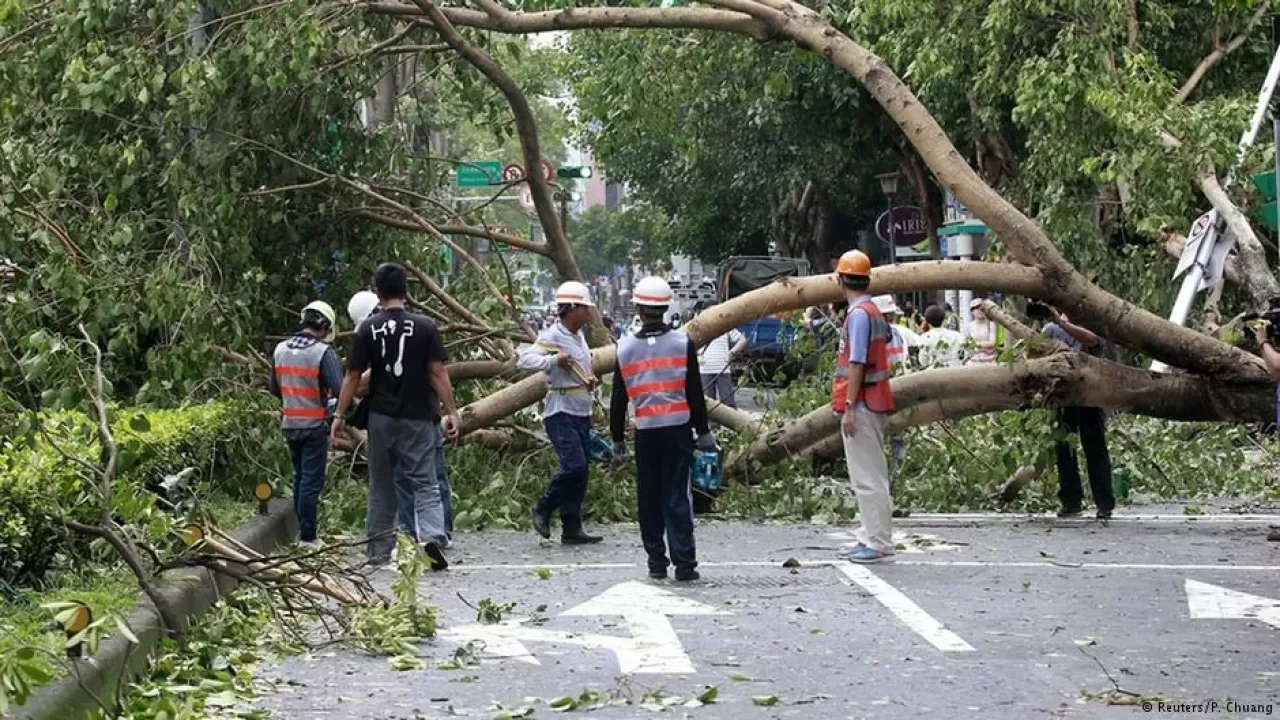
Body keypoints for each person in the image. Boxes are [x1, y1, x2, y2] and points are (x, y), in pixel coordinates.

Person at [332, 263, 460, 570]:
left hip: (380, 417)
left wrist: (339, 415)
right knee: (425, 482)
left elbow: (352, 376)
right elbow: (437, 372)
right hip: (419, 415)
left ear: (378, 292)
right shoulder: (426, 326)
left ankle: (379, 549)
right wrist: (452, 411)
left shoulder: (367, 329)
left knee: (382, 484)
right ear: (406, 291)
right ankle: (431, 537)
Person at [610, 276, 714, 581]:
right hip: (678, 430)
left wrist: (617, 440)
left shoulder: (625, 348)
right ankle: (685, 564)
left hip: (646, 433)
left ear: (639, 309)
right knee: (677, 495)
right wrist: (704, 432)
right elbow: (694, 391)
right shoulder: (683, 343)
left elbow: (618, 399)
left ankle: (656, 562)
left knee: (649, 496)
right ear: (666, 308)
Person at [517, 281, 604, 545]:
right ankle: (544, 506)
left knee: (582, 471)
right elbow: (524, 361)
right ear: (572, 308)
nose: (588, 313)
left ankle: (571, 526)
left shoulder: (578, 336)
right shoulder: (553, 335)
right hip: (561, 412)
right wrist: (553, 361)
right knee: (574, 465)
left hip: (581, 412)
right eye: (585, 308)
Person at [832, 251, 896, 563]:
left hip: (863, 404)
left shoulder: (859, 315)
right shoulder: (872, 311)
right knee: (871, 475)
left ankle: (878, 542)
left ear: (841, 281)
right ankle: (870, 536)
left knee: (868, 478)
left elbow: (856, 362)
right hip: (874, 400)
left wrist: (849, 406)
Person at [268, 300, 344, 550]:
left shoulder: (280, 350)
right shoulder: (322, 352)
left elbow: (274, 388)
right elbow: (340, 388)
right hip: (314, 425)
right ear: (324, 325)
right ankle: (308, 536)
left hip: (290, 423)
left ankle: (303, 531)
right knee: (311, 482)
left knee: (300, 478)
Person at [1035, 303, 1115, 520]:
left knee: (1095, 449)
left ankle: (1104, 503)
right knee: (1064, 450)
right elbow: (1037, 351)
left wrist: (1062, 322)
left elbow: (1093, 340)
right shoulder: (1050, 330)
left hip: (1089, 396)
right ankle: (1071, 501)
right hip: (1062, 396)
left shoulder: (1089, 324)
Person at [872, 295, 916, 503]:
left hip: (897, 389)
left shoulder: (898, 334)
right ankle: (881, 479)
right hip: (876, 391)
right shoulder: (870, 336)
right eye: (886, 315)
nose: (889, 319)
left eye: (890, 316)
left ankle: (895, 476)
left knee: (897, 435)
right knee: (877, 436)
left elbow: (905, 358)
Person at [697, 309, 747, 413]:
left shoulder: (725, 326)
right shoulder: (699, 327)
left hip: (722, 368)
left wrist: (732, 352)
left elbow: (742, 340)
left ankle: (731, 422)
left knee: (727, 402)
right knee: (708, 403)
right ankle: (712, 424)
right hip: (705, 369)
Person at [965, 298, 999, 365]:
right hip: (973, 360)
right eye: (977, 309)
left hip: (990, 360)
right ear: (972, 311)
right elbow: (967, 344)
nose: (980, 311)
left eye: (982, 309)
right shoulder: (968, 326)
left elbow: (993, 342)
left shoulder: (991, 324)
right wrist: (983, 345)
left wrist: (976, 344)